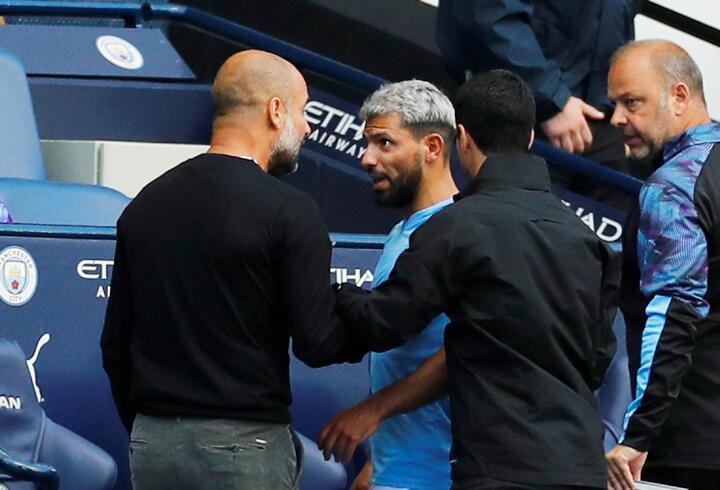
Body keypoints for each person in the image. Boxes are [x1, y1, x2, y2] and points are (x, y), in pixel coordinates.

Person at [333, 69, 619, 490]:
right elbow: (597, 360)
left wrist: (335, 289)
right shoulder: (587, 239)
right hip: (579, 468)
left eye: (384, 142)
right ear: (529, 138)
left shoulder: (457, 226)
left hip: (493, 469)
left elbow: (383, 322)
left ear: (460, 139)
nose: (368, 158)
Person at [100, 49, 363, 490]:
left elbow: (115, 345)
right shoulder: (290, 210)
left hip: (154, 445)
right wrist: (373, 314)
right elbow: (318, 342)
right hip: (245, 445)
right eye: (303, 111)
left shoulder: (145, 204)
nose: (307, 127)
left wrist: (151, 429)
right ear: (275, 111)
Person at [318, 80, 458, 490]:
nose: (366, 158)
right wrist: (376, 462)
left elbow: (468, 346)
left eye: (384, 143)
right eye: (367, 143)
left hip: (443, 474)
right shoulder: (401, 233)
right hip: (395, 470)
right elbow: (399, 355)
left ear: (432, 147)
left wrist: (372, 412)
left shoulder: (465, 233)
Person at [605, 40, 720, 490]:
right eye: (614, 104)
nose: (616, 118)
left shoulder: (674, 188)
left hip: (688, 447)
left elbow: (674, 312)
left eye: (631, 102)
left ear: (679, 96)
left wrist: (638, 435)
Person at [435, 0, 649, 208]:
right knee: (491, 221)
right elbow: (490, 13)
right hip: (515, 115)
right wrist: (552, 99)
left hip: (596, 124)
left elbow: (616, 16)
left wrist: (616, 112)